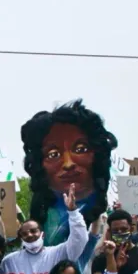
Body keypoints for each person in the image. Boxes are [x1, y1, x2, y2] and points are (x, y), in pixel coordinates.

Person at [20, 100, 117, 247]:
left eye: (80, 149)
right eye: (53, 154)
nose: (68, 163)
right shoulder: (40, 221)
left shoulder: (109, 222)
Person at [0, 185, 88, 274]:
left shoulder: (58, 253)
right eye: (24, 233)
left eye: (34, 231)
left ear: (43, 235)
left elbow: (79, 238)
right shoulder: (9, 261)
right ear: (21, 238)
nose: (29, 235)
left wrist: (73, 212)